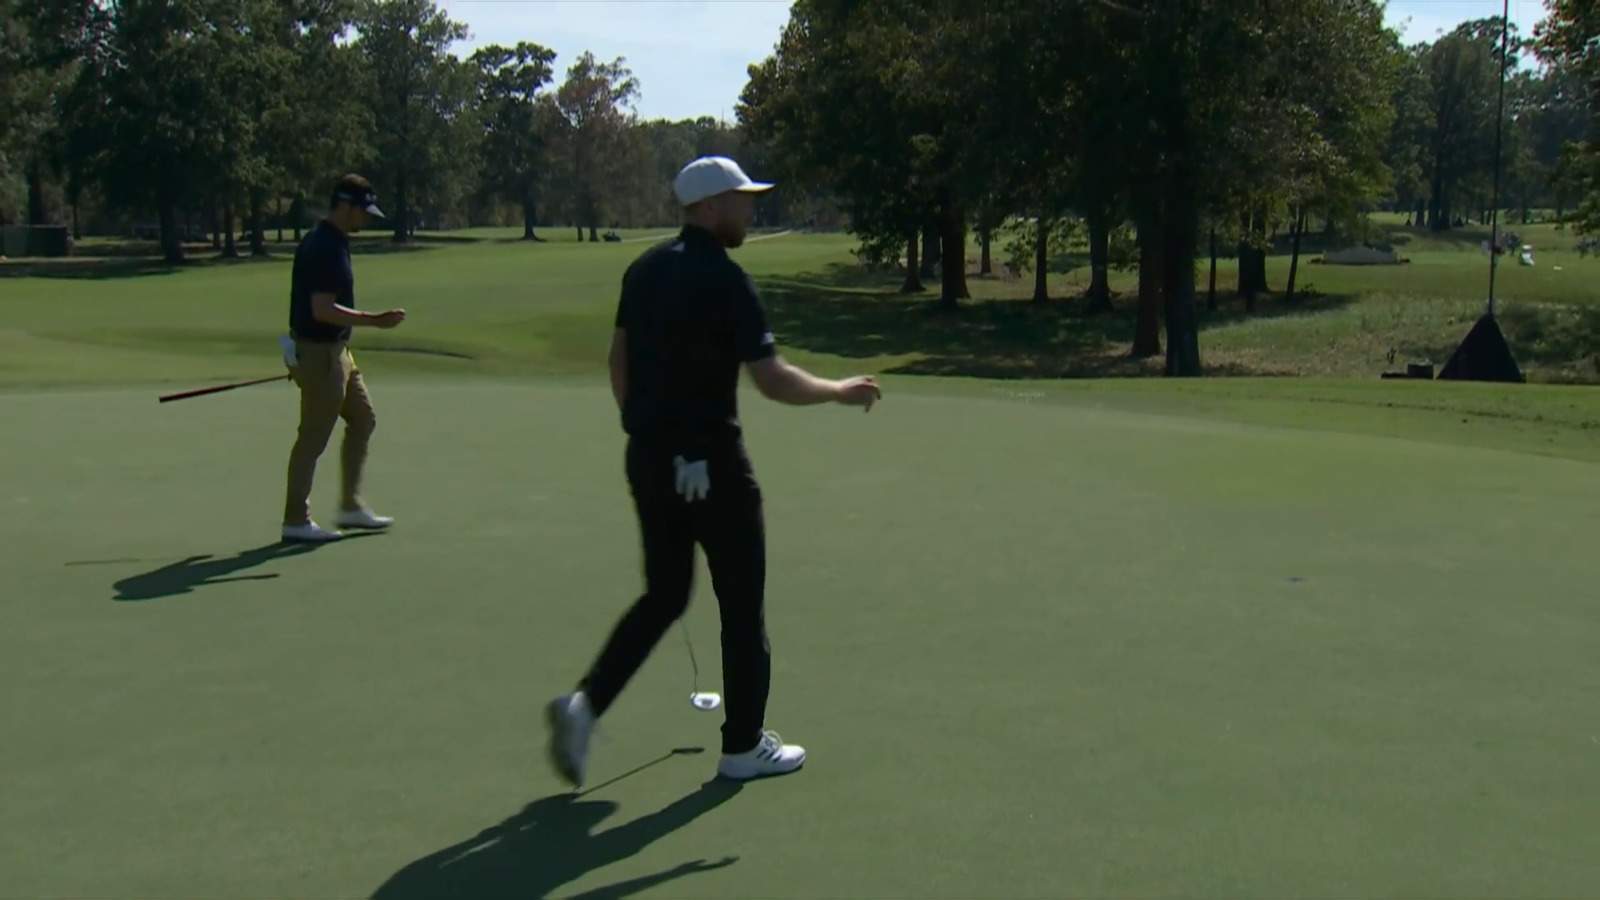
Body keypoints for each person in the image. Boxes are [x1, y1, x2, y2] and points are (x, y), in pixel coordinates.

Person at [546, 157, 882, 786]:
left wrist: (651, 439)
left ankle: (586, 704)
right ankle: (743, 746)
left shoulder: (642, 270)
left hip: (648, 460)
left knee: (666, 594)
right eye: (739, 200)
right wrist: (839, 390)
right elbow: (772, 380)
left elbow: (618, 363)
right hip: (718, 471)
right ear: (707, 208)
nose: (749, 210)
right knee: (741, 603)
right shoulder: (728, 282)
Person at [281, 174, 407, 543]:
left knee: (363, 418)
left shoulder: (335, 241)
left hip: (338, 352)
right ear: (344, 206)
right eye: (362, 211)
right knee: (314, 437)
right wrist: (375, 321)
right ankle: (295, 519)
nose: (365, 219)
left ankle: (350, 505)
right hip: (320, 353)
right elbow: (321, 309)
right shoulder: (323, 246)